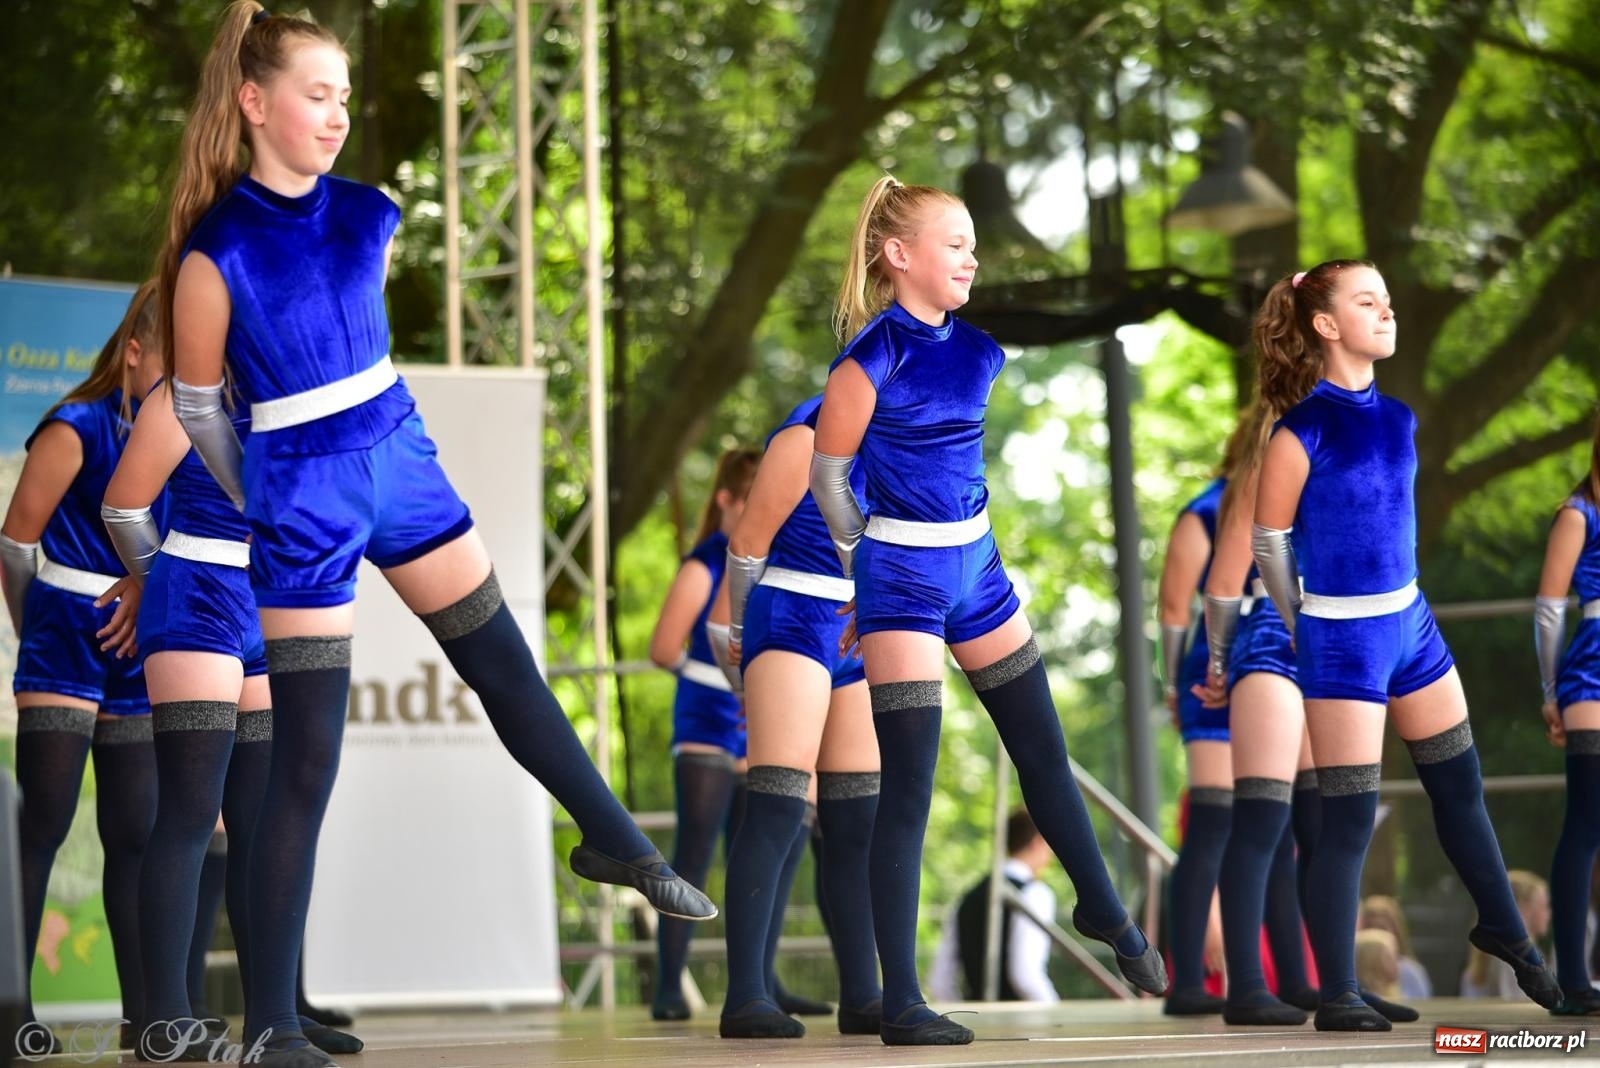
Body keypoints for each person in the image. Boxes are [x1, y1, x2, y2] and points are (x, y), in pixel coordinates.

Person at [156, 6, 713, 1063]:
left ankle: (614, 841)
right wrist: (262, 495)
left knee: (505, 665)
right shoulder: (213, 253)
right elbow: (194, 406)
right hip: (302, 497)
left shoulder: (371, 214)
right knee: (305, 765)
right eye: (316, 95)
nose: (336, 114)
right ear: (254, 102)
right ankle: (273, 1022)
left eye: (344, 97)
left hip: (401, 462)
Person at [810, 174, 1163, 1047]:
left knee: (1043, 747)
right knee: (910, 786)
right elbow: (829, 480)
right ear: (899, 255)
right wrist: (865, 572)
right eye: (956, 244)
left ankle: (1105, 908)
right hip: (903, 577)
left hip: (980, 568)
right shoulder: (866, 362)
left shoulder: (980, 351)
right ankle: (902, 1001)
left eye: (973, 245)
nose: (973, 259)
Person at [1251, 259, 1560, 1030]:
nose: (1387, 312)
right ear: (1327, 325)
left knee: (1461, 790)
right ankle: (1338, 993)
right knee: (1350, 822)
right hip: (1342, 640)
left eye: (1388, 299)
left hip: (1414, 626)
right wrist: (1300, 622)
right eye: (1369, 302)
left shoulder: (1400, 418)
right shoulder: (1299, 431)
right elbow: (1268, 540)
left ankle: (1509, 934)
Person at [102, 378, 358, 1059]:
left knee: (261, 818)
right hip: (197, 596)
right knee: (191, 812)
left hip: (269, 600)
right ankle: (165, 1018)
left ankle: (277, 1014)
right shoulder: (184, 395)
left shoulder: (293, 387)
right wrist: (160, 581)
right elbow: (123, 507)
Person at [0, 281, 163, 1047]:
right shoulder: (77, 424)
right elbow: (15, 540)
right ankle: (12, 1012)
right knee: (43, 823)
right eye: (166, 363)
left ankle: (145, 1020)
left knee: (136, 833)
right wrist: (34, 627)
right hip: (64, 634)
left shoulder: (177, 433)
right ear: (131, 352)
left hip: (135, 646)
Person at [717, 394, 882, 1039]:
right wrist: (741, 636)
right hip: (792, 611)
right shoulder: (804, 435)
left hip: (859, 626)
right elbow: (747, 543)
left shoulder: (908, 437)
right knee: (779, 809)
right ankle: (746, 996)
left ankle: (863, 994)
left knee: (856, 822)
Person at [647, 448, 758, 1021]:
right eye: (752, 502)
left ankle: (760, 983)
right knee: (693, 856)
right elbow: (663, 649)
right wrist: (718, 682)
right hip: (707, 725)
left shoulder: (767, 559)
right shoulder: (704, 565)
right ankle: (669, 984)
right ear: (726, 501)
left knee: (754, 859)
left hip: (756, 726)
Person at [1157, 430, 1246, 1017]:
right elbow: (1172, 606)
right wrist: (1171, 685)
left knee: (1267, 826)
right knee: (1213, 822)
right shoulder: (1206, 511)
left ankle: (1260, 975)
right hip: (1210, 682)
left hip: (1276, 671)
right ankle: (1187, 977)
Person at [1535, 450, 1600, 1014]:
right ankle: (1574, 979)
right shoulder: (1579, 514)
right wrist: (1551, 691)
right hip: (1593, 673)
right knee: (1587, 820)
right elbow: (1549, 608)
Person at [928, 808, 1060, 1003]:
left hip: (978, 1016)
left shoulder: (967, 898)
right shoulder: (1035, 894)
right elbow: (1025, 975)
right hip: (1022, 1018)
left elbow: (939, 982)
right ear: (1038, 842)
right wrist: (1054, 1012)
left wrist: (965, 1016)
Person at [1460, 872, 1552, 999]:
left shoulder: (1499, 953)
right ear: (1525, 908)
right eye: (1545, 906)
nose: (1549, 914)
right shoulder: (1514, 957)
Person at [1358, 896, 1433, 999]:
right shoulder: (1352, 976)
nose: (1376, 934)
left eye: (1382, 928)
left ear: (1395, 930)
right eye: (1369, 927)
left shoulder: (1411, 972)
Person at [1354, 929, 1401, 1002]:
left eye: (1395, 956)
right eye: (1388, 958)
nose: (1396, 964)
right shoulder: (1362, 1002)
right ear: (1369, 964)